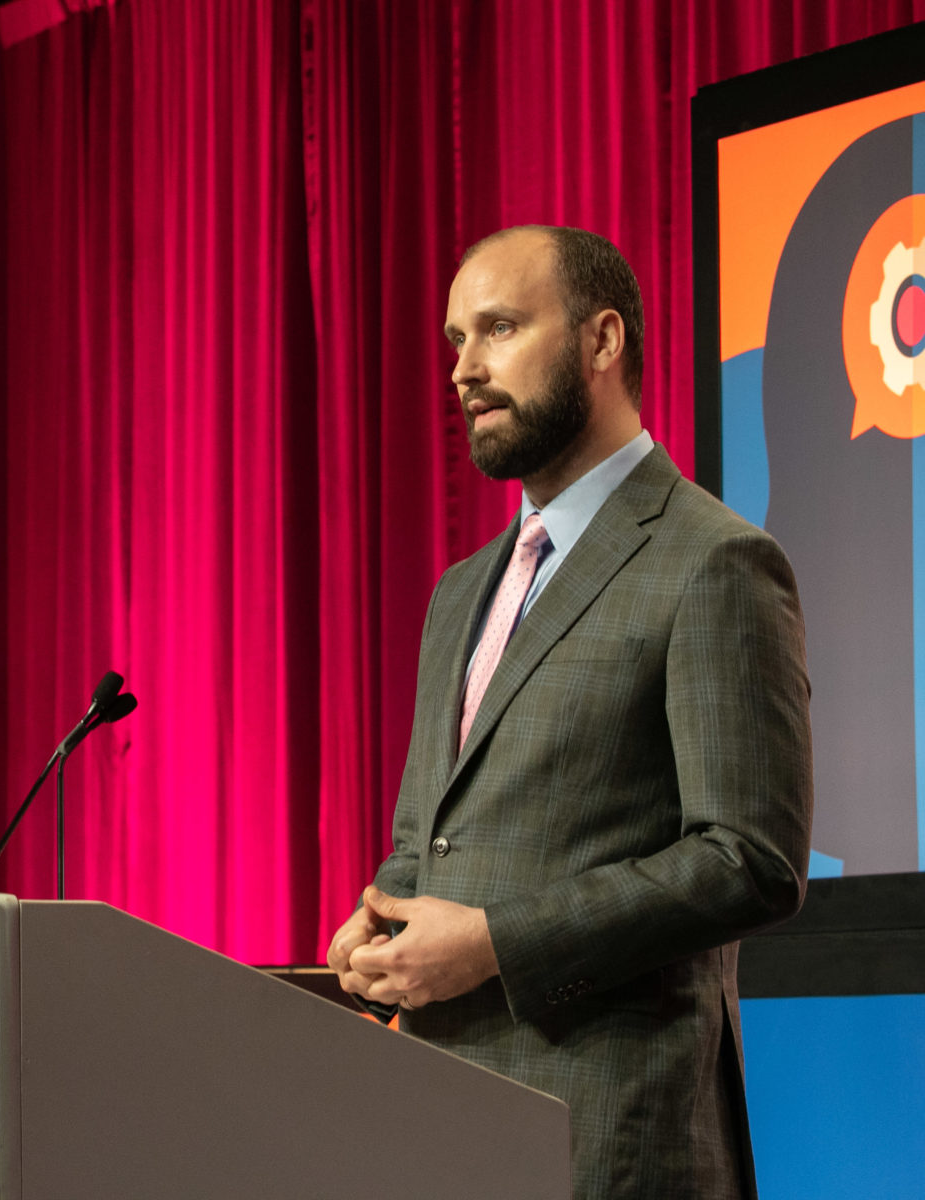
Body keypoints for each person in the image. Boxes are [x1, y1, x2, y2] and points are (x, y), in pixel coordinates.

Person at [324, 226, 812, 1198]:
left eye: (499, 329)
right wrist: (381, 919)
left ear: (602, 341)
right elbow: (432, 846)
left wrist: (496, 943)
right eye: (455, 340)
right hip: (443, 1128)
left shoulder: (712, 562)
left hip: (614, 1144)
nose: (464, 369)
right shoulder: (460, 594)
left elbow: (748, 860)